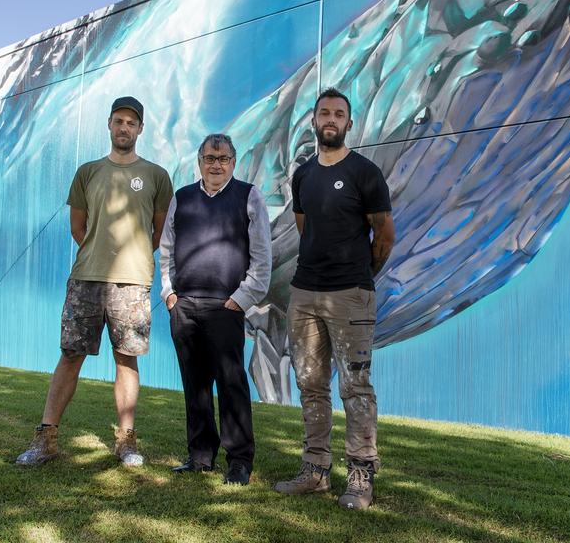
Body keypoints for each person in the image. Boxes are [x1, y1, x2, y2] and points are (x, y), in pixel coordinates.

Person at [16, 96, 173, 468]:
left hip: (132, 282)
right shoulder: (87, 172)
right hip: (86, 277)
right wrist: (99, 252)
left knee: (126, 358)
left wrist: (131, 258)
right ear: (109, 124)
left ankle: (126, 441)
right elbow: (78, 227)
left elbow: (159, 231)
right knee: (71, 356)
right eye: (118, 120)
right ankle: (46, 439)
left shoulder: (156, 175)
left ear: (140, 129)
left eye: (131, 123)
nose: (124, 127)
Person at [273, 87, 395, 510]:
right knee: (310, 384)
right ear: (314, 121)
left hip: (351, 295)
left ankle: (361, 476)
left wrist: (359, 276)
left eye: (338, 114)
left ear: (349, 123)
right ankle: (315, 471)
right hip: (305, 294)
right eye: (324, 112)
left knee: (355, 386)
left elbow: (384, 236)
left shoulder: (365, 173)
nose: (331, 119)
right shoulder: (304, 175)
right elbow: (306, 229)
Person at [159, 133, 271, 486]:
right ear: (200, 161)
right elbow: (166, 250)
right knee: (196, 385)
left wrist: (241, 298)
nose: (216, 164)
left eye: (223, 159)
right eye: (210, 158)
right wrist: (169, 294)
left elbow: (263, 257)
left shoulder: (249, 196)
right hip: (185, 305)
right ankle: (200, 456)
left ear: (234, 162)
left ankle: (239, 461)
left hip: (226, 305)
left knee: (231, 384)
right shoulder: (183, 198)